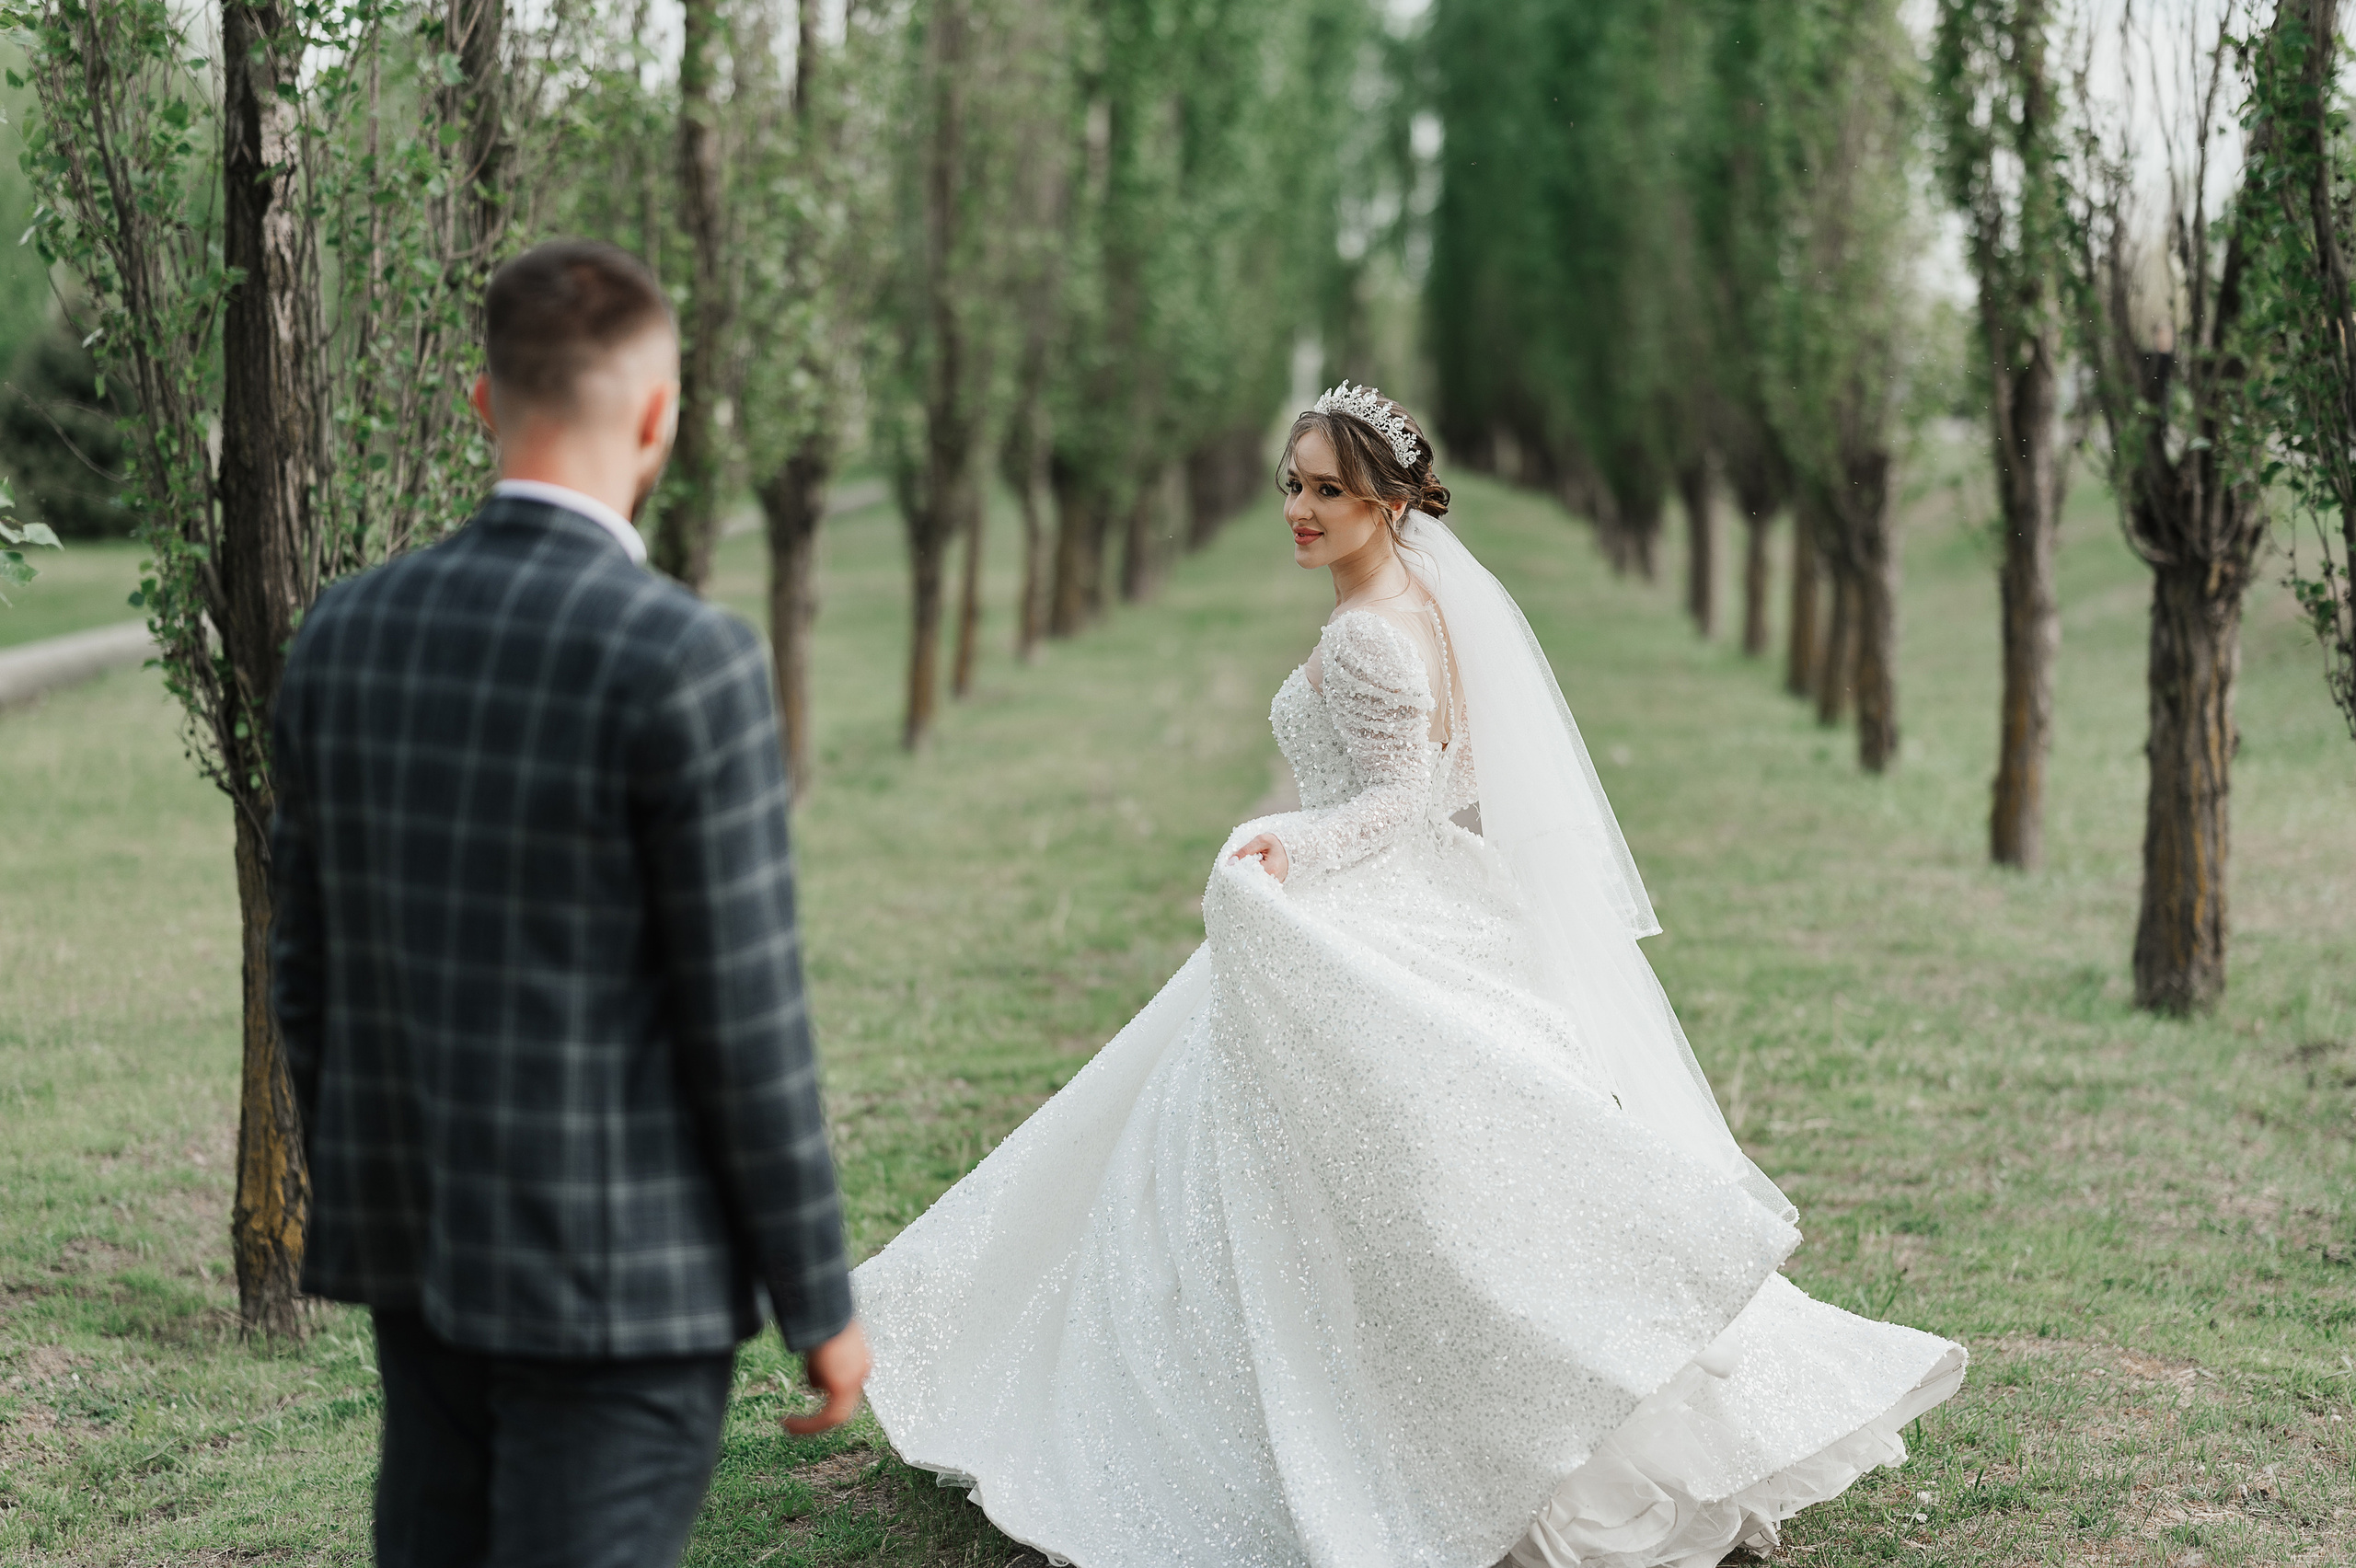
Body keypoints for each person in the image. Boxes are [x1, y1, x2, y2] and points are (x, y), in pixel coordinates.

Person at [851, 384, 1966, 1568]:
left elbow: (1390, 797)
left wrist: (1289, 845)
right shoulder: (1425, 605)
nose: (1301, 508)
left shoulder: (1366, 633)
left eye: (1328, 490)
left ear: (1388, 501)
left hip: (1376, 893)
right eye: (1293, 483)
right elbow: (1449, 778)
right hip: (1425, 884)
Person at [269, 239, 870, 1568]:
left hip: (417, 1264)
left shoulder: (342, 634)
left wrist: (379, 1174)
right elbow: (746, 1020)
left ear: (483, 400)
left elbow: (301, 973)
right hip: (625, 1299)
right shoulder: (686, 659)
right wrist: (817, 1298)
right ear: (659, 416)